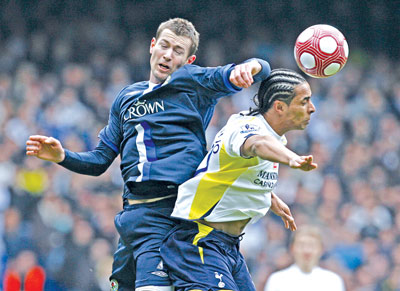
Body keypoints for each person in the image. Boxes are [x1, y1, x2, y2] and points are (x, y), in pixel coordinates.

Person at [25, 18, 271, 291]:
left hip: (178, 215)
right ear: (152, 46)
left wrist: (250, 67)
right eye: (164, 45)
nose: (168, 54)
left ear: (189, 60)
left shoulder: (193, 82)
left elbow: (259, 69)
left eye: (178, 51)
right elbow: (99, 162)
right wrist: (63, 156)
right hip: (138, 219)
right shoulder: (125, 98)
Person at [159, 68, 318, 291]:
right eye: (304, 101)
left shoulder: (268, 133)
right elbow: (256, 145)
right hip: (199, 240)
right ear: (279, 107)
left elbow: (232, 171)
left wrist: (270, 198)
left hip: (228, 246)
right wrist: (291, 159)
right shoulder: (248, 129)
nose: (312, 108)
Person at [264, 225, 346, 291]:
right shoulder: (277, 280)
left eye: (312, 245)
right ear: (292, 248)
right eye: (301, 245)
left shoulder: (333, 281)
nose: (307, 250)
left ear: (321, 249)